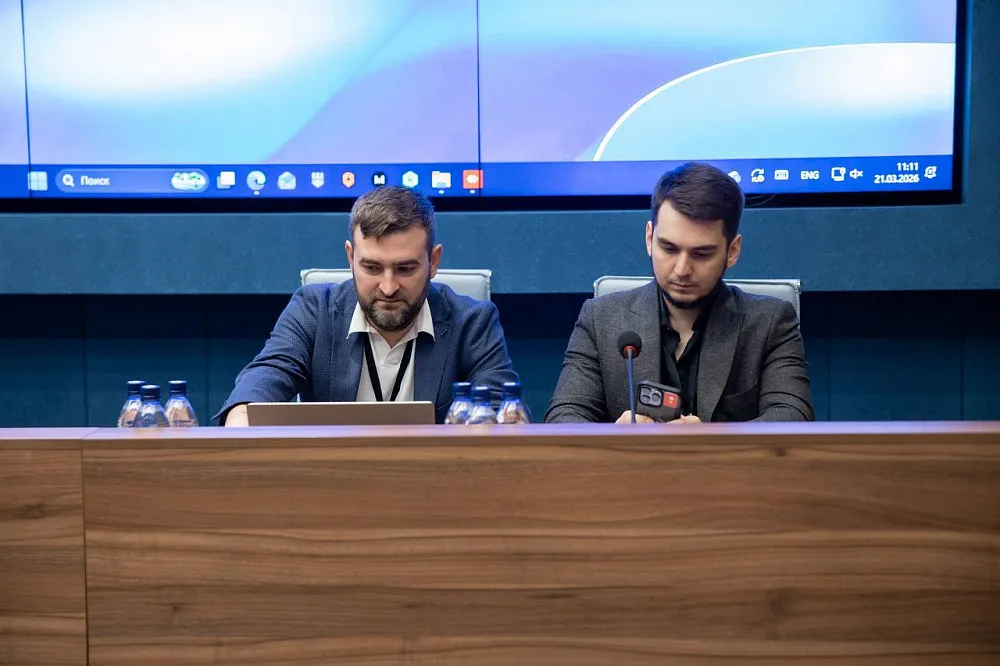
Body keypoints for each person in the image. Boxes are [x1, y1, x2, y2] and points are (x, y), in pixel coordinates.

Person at [217, 185, 520, 425]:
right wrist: (242, 417)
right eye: (372, 268)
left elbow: (502, 414)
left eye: (405, 269)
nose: (388, 287)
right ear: (351, 258)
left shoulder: (473, 322)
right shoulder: (315, 310)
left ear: (434, 261)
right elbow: (269, 374)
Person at [545, 162, 813, 424]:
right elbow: (563, 418)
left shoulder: (770, 323)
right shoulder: (600, 319)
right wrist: (617, 437)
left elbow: (793, 416)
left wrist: (707, 440)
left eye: (701, 254)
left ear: (732, 251)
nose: (682, 269)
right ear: (649, 239)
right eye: (669, 249)